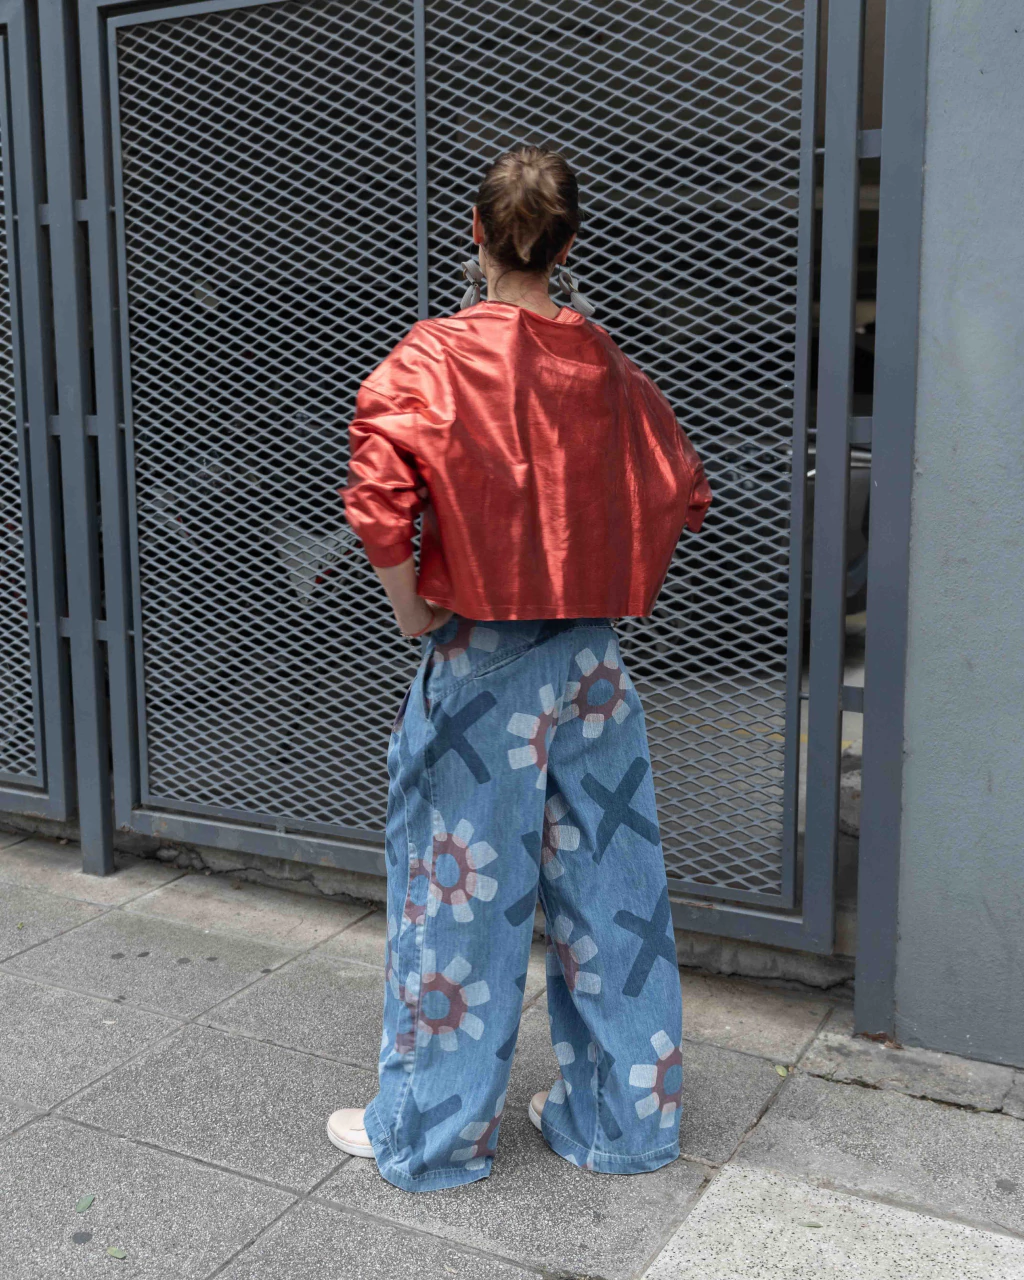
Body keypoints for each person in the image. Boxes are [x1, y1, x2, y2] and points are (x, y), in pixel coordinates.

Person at [328, 145, 711, 1192]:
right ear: (569, 241)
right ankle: (622, 1122)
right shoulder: (611, 369)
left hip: (481, 664)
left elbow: (378, 496)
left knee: (457, 892)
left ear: (475, 232)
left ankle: (434, 1132)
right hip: (593, 662)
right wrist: (608, 567)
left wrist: (413, 610)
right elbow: (683, 487)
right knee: (613, 889)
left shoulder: (432, 358)